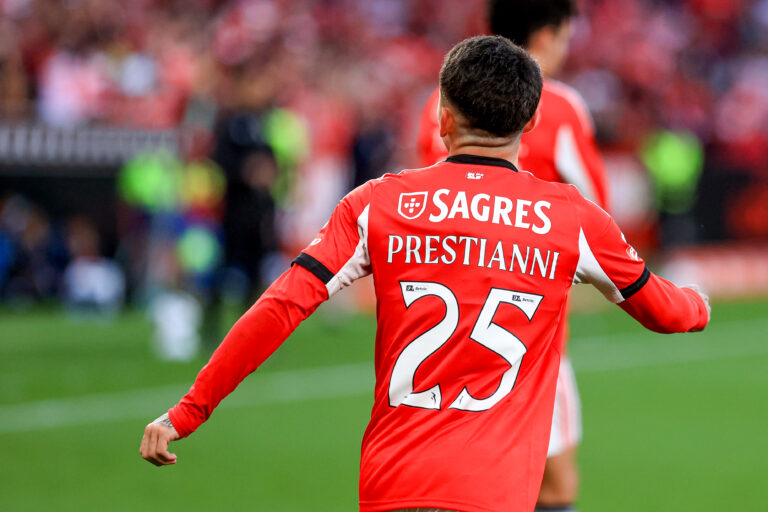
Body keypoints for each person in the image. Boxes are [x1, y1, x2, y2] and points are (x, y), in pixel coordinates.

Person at [140, 36, 710, 512]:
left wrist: (187, 411)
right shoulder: (572, 218)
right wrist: (699, 303)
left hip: (394, 486)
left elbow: (280, 307)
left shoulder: (376, 204)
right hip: (496, 492)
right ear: (532, 119)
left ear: (442, 114)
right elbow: (666, 312)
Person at [417, 2, 607, 509]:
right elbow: (596, 216)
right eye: (565, 39)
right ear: (545, 36)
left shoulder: (440, 100)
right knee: (554, 485)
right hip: (526, 326)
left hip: (442, 325)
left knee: (461, 478)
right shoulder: (559, 103)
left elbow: (430, 205)